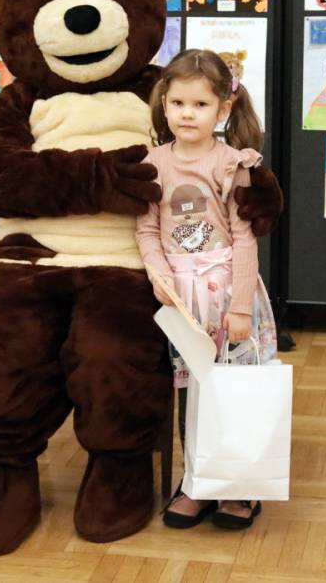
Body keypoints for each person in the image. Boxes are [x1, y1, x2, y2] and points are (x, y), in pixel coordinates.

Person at [135, 48, 279, 531]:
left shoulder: (232, 163)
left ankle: (239, 487)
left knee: (233, 391)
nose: (186, 114)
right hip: (181, 300)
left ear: (223, 108)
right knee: (192, 395)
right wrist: (159, 275)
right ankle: (197, 483)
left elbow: (245, 238)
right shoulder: (152, 163)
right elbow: (146, 229)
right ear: (164, 105)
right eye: (177, 103)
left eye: (199, 105)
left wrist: (240, 307)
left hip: (227, 296)